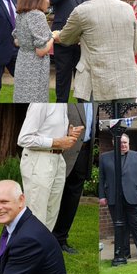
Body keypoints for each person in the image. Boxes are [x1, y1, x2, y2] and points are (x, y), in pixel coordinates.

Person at [52, 0, 137, 103]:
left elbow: (65, 39)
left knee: (96, 121)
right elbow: (135, 45)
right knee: (121, 122)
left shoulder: (82, 11)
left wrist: (56, 35)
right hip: (125, 80)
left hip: (96, 81)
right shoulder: (128, 9)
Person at [17, 103, 84, 230]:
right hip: (39, 160)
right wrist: (56, 142)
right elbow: (24, 139)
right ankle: (31, 248)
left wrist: (68, 135)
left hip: (58, 159)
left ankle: (44, 247)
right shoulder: (40, 104)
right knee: (37, 213)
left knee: (51, 213)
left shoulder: (63, 104)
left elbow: (49, 132)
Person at [98, 132, 137, 266]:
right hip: (114, 197)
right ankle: (123, 252)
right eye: (120, 142)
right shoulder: (104, 158)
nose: (122, 145)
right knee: (119, 227)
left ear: (128, 144)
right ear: (114, 143)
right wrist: (101, 196)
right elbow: (101, 178)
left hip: (133, 196)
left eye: (125, 143)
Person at [52, 103, 92, 254]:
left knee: (72, 200)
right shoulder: (68, 101)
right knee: (53, 196)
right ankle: (45, 236)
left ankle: (61, 239)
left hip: (84, 153)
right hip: (64, 152)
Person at [49, 0, 88, 102]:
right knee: (63, 79)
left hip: (82, 42)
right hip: (62, 40)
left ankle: (82, 106)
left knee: (82, 79)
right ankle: (61, 105)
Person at [12, 0, 54, 103]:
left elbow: (17, 40)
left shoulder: (22, 13)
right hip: (34, 68)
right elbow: (41, 50)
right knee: (35, 100)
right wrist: (53, 36)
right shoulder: (37, 15)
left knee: (22, 98)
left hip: (23, 62)